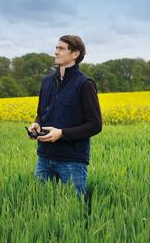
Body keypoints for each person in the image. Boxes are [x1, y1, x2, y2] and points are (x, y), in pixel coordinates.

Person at [28, 35, 102, 198]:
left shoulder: (85, 84)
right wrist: (36, 125)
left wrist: (62, 133)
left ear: (75, 54)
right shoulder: (46, 82)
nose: (56, 52)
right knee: (40, 207)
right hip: (44, 158)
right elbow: (42, 113)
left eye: (61, 49)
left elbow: (95, 124)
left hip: (72, 160)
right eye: (56, 48)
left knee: (73, 211)